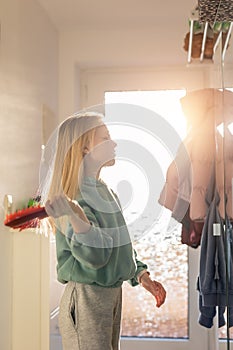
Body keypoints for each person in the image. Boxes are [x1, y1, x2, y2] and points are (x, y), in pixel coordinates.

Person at [44, 112, 166, 350]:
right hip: (87, 299)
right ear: (84, 148)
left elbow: (119, 246)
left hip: (110, 296)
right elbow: (96, 257)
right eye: (105, 137)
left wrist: (141, 276)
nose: (114, 143)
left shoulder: (106, 192)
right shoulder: (72, 198)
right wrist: (76, 215)